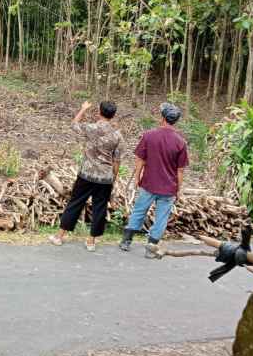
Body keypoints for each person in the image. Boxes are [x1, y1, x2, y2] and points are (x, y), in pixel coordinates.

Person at [49, 100, 123, 252]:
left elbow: (74, 125)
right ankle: (91, 241)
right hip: (105, 177)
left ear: (99, 112)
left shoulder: (91, 128)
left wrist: (83, 109)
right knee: (100, 208)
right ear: (113, 115)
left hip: (86, 174)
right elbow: (117, 160)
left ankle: (59, 236)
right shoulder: (117, 136)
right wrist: (113, 177)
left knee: (75, 203)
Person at [119, 102, 188, 258]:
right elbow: (180, 169)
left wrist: (137, 177)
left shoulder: (149, 135)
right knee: (161, 218)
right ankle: (151, 248)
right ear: (175, 120)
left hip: (149, 183)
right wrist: (179, 189)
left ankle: (126, 242)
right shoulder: (180, 142)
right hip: (169, 188)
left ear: (162, 117)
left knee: (139, 211)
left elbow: (140, 159)